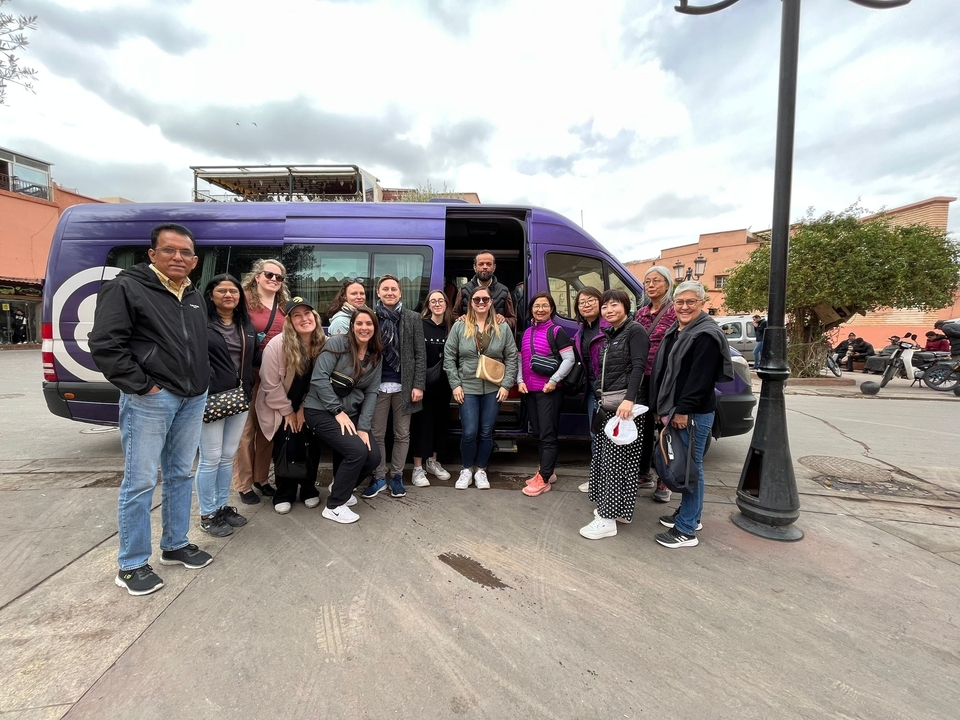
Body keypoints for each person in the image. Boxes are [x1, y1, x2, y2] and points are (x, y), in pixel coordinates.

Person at [89, 222, 212, 596]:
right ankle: (131, 564)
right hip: (151, 398)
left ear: (193, 261)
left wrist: (202, 383)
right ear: (152, 254)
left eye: (186, 253)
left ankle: (174, 544)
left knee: (179, 475)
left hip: (192, 396)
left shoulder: (193, 294)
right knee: (140, 481)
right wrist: (144, 386)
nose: (178, 257)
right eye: (170, 250)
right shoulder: (126, 287)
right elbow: (106, 345)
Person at [651, 281, 733, 549]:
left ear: (701, 303)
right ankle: (690, 516)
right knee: (687, 466)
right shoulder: (679, 330)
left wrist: (683, 410)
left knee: (689, 469)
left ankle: (686, 530)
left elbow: (699, 379)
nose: (684, 307)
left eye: (691, 302)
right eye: (679, 302)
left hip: (692, 412)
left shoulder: (705, 335)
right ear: (673, 304)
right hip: (676, 409)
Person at [579, 289, 650, 540]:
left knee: (615, 463)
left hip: (624, 407)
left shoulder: (634, 331)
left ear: (626, 306)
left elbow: (639, 366)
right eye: (606, 306)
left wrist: (630, 399)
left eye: (614, 305)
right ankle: (621, 511)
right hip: (611, 404)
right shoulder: (612, 334)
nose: (609, 310)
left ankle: (606, 519)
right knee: (617, 461)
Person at [303, 307, 383, 524]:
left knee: (373, 456)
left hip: (351, 414)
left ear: (375, 328)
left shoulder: (375, 356)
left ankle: (340, 486)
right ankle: (335, 505)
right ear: (352, 326)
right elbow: (319, 379)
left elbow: (372, 392)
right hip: (320, 410)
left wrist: (364, 428)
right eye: (359, 323)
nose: (364, 328)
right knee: (356, 451)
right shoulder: (337, 343)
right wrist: (337, 412)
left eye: (369, 324)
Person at [195, 274, 260, 537]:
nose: (228, 295)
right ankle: (207, 513)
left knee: (226, 456)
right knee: (209, 458)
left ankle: (221, 507)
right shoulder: (201, 323)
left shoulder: (245, 325)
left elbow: (253, 357)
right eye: (221, 291)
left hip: (239, 397)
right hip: (210, 398)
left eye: (233, 291)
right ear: (210, 295)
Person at [444, 285, 518, 490]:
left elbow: (511, 357)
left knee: (486, 432)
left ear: (491, 301)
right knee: (469, 431)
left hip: (494, 387)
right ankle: (467, 469)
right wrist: (455, 384)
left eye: (485, 299)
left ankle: (481, 470)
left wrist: (506, 384)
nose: (481, 303)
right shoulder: (460, 326)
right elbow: (449, 357)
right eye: (476, 300)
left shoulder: (502, 327)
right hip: (467, 386)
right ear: (471, 303)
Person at [256, 298, 326, 514]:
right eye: (297, 315)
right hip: (278, 405)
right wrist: (288, 412)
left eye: (308, 313)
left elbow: (322, 381)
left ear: (314, 316)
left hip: (311, 404)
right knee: (286, 445)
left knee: (310, 446)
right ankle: (284, 492)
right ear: (290, 321)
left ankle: (308, 490)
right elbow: (269, 383)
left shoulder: (324, 343)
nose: (304, 318)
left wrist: (303, 409)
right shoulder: (277, 344)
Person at [362, 274, 425, 499]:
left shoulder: (413, 318)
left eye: (394, 289)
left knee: (402, 433)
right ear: (378, 293)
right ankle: (379, 476)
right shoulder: (369, 317)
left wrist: (418, 385)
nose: (389, 292)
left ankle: (397, 476)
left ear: (400, 293)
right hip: (376, 385)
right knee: (376, 433)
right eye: (385, 289)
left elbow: (420, 353)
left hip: (404, 386)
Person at [233, 259, 290, 504]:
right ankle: (243, 484)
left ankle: (261, 479)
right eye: (269, 275)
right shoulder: (243, 300)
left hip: (274, 374)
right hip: (248, 373)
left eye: (279, 277)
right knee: (246, 432)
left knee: (268, 429)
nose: (274, 280)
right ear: (257, 276)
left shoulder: (284, 305)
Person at [519, 292, 575, 497]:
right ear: (531, 309)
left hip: (549, 392)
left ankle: (544, 478)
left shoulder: (557, 331)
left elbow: (569, 359)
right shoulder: (527, 332)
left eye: (544, 305)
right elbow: (520, 359)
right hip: (531, 391)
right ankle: (546, 470)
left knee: (548, 435)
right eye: (536, 306)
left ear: (551, 309)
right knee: (538, 434)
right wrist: (519, 381)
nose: (540, 309)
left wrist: (553, 381)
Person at [636, 266, 678, 503]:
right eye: (647, 281)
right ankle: (643, 473)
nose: (651, 285)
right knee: (641, 426)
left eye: (656, 281)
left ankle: (665, 478)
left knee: (664, 428)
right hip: (643, 375)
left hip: (664, 376)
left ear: (667, 284)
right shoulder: (641, 313)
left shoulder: (674, 311)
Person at [410, 290, 454, 487]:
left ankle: (432, 462)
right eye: (433, 301)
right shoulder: (420, 325)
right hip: (423, 384)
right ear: (428, 305)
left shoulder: (452, 327)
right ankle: (417, 467)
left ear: (446, 304)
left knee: (440, 423)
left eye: (441, 301)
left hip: (445, 384)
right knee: (421, 424)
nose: (437, 304)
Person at [573, 286, 607, 495]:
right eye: (581, 302)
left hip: (610, 388)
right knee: (595, 434)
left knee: (608, 437)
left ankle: (606, 481)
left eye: (591, 300)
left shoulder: (609, 326)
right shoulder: (582, 330)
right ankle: (597, 479)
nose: (586, 305)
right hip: (593, 388)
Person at [452, 250, 517, 329]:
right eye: (481, 264)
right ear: (475, 267)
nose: (485, 267)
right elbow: (454, 316)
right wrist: (460, 319)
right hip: (470, 337)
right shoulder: (464, 290)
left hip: (495, 338)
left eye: (489, 264)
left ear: (494, 267)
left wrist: (504, 320)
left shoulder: (504, 291)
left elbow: (513, 320)